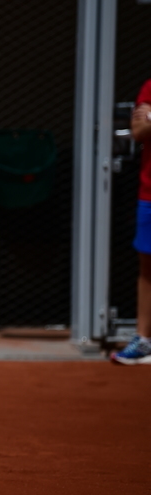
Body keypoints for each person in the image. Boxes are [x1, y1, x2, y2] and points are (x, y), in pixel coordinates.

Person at [111, 78, 151, 365]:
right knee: (147, 268)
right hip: (149, 194)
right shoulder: (150, 87)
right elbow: (139, 131)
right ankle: (144, 341)